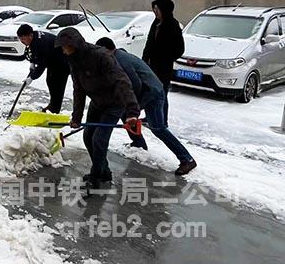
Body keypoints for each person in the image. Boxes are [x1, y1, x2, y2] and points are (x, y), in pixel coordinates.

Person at [96, 37, 197, 176]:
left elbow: (135, 84)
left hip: (153, 94)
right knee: (125, 114)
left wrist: (133, 108)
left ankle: (187, 159)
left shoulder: (120, 61)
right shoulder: (119, 55)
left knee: (158, 128)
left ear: (106, 50)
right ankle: (139, 143)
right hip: (148, 91)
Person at [55, 28, 140, 189]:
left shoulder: (101, 56)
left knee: (99, 140)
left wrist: (132, 112)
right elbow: (78, 89)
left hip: (115, 103)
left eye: (66, 47)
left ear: (76, 44)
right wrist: (77, 117)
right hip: (97, 102)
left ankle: (95, 177)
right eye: (62, 48)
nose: (64, 51)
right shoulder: (73, 60)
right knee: (88, 137)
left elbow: (122, 81)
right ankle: (104, 171)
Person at [142, 0, 185, 126]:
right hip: (150, 65)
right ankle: (150, 116)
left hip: (163, 67)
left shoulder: (172, 25)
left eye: (157, 9)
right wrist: (145, 59)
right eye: (154, 9)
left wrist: (166, 58)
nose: (155, 12)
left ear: (165, 10)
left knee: (161, 93)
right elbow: (149, 43)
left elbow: (180, 49)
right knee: (150, 92)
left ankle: (162, 120)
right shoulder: (155, 23)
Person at [16, 24, 70, 113]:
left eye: (23, 38)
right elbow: (34, 51)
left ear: (30, 35)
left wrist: (32, 77)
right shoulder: (35, 37)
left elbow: (42, 65)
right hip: (53, 61)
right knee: (50, 81)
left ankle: (55, 110)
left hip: (62, 63)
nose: (21, 41)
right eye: (20, 38)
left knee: (57, 86)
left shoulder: (41, 43)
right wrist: (32, 62)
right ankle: (53, 104)